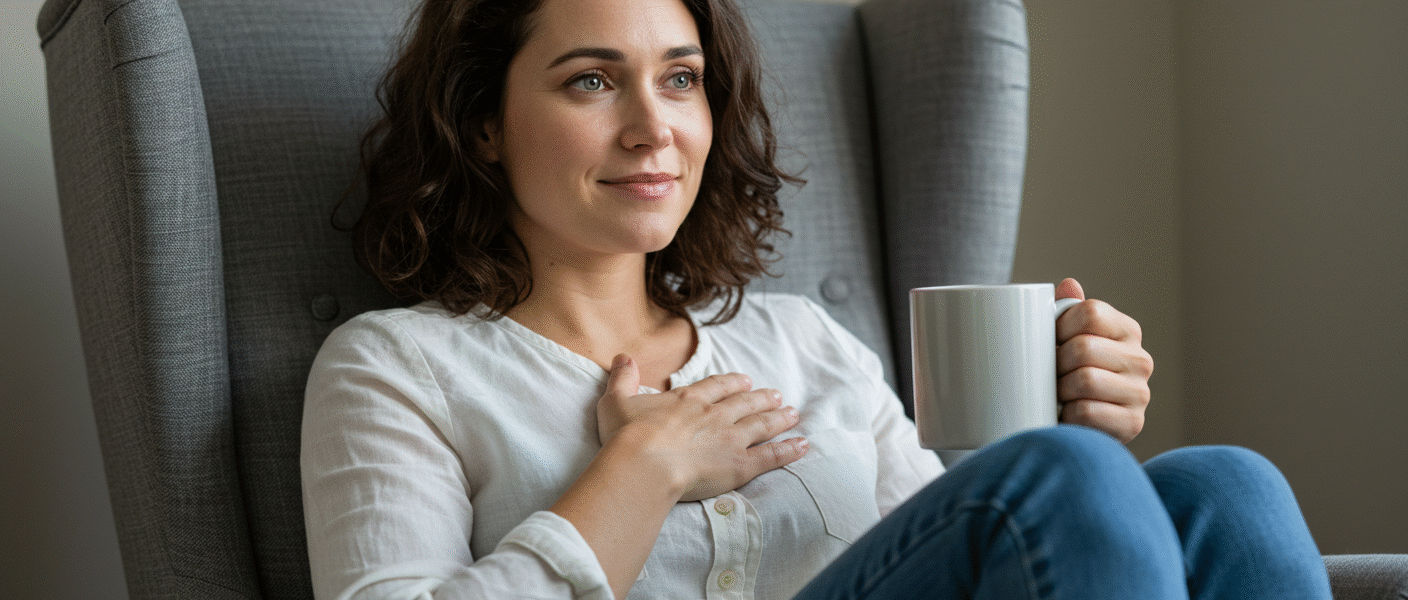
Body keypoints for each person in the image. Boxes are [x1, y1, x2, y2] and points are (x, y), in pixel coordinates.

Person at [301, 0, 1333, 598]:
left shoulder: (800, 338)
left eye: (680, 78)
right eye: (591, 81)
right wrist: (642, 472)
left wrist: (1072, 444)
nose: (654, 128)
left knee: (1226, 486)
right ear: (483, 122)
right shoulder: (396, 365)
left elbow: (955, 546)